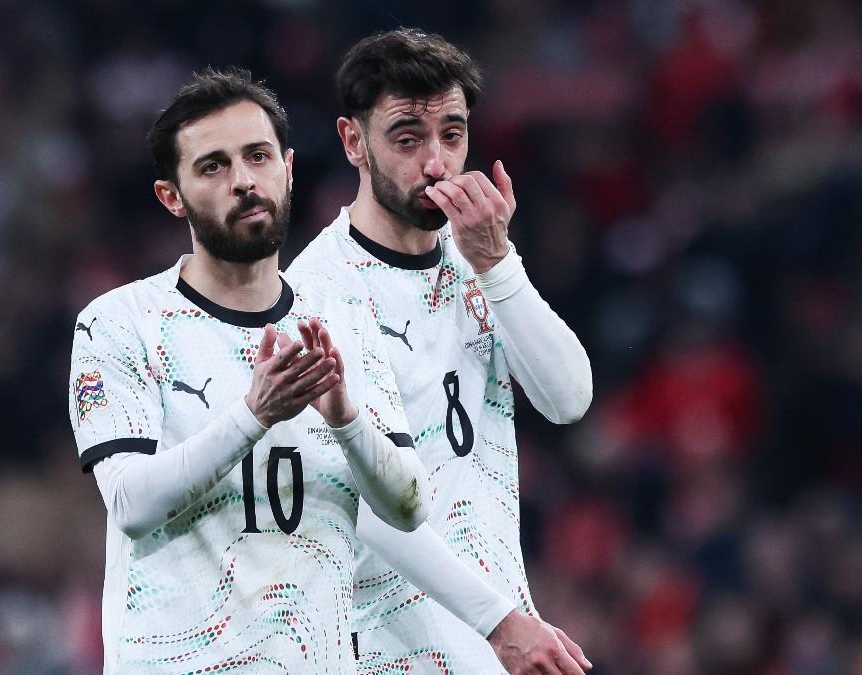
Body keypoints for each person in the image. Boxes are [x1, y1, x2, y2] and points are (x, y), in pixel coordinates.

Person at [68, 66, 430, 673]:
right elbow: (130, 503)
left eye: (258, 156)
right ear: (171, 196)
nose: (243, 181)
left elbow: (408, 506)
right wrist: (253, 414)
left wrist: (346, 420)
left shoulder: (342, 319)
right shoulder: (119, 322)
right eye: (213, 166)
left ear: (288, 168)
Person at [287, 29, 595, 675]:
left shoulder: (476, 257)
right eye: (407, 138)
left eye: (452, 135)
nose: (436, 162)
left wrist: (498, 263)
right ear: (352, 140)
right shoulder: (316, 294)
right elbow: (360, 499)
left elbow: (568, 400)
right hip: (386, 646)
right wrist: (501, 622)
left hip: (492, 635)